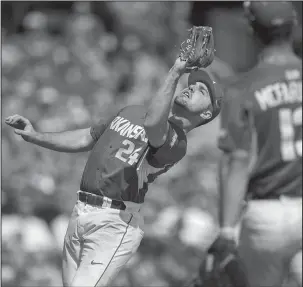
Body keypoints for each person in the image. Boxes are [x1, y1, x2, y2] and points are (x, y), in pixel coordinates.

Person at [5, 46, 222, 285]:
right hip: (80, 212)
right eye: (192, 83)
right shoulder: (132, 111)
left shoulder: (177, 143)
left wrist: (175, 72)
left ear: (206, 115)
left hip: (115, 222)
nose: (191, 87)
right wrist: (36, 136)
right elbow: (86, 137)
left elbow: (153, 127)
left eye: (202, 91)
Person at [216, 1, 302, 287]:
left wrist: (227, 231)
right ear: (295, 26)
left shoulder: (243, 88)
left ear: (252, 31)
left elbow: (237, 161)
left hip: (268, 217)